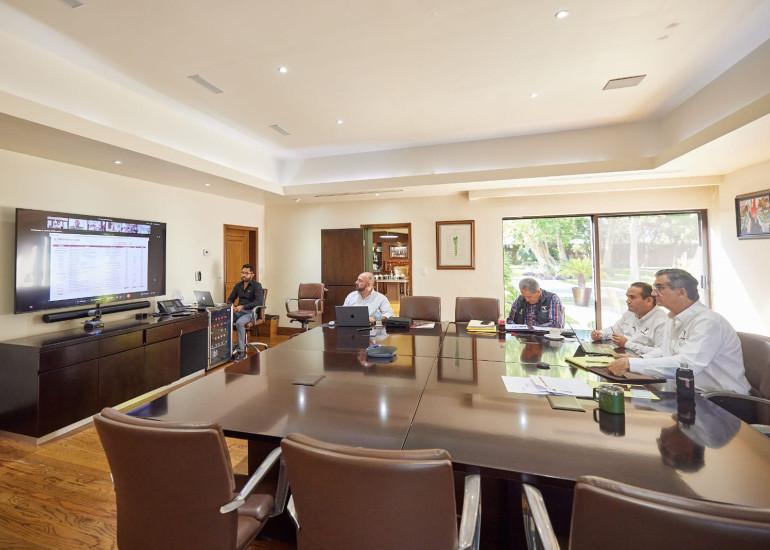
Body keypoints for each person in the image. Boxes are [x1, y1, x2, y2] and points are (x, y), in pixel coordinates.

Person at [608, 268, 750, 394]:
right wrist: (637, 360)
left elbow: (687, 365)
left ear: (681, 292)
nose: (653, 293)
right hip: (687, 392)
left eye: (660, 288)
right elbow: (664, 352)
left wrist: (631, 364)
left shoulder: (708, 322)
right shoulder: (672, 318)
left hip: (722, 400)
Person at [590, 282, 667, 354]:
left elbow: (661, 353)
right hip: (623, 354)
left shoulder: (662, 322)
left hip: (641, 361)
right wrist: (600, 334)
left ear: (649, 301)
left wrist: (627, 344)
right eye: (627, 297)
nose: (627, 301)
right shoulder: (630, 313)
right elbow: (614, 330)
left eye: (632, 297)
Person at [227, 263, 264, 358]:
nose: (243, 275)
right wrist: (232, 306)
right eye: (242, 272)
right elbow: (230, 299)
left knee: (239, 323)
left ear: (252, 274)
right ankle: (227, 349)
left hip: (251, 312)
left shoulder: (257, 286)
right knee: (225, 319)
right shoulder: (238, 286)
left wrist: (243, 306)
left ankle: (241, 352)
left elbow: (259, 302)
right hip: (239, 311)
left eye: (246, 273)